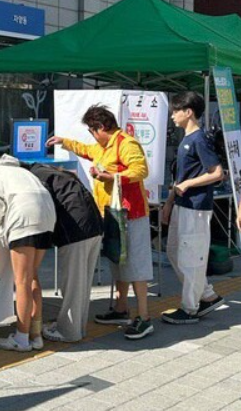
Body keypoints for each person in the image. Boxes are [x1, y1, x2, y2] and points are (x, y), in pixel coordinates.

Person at [47, 104, 154, 340]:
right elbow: (86, 150)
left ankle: (144, 317)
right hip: (112, 214)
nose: (92, 136)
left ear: (101, 127)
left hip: (131, 214)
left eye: (92, 131)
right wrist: (64, 142)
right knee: (118, 262)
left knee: (136, 266)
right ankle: (121, 309)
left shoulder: (126, 143)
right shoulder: (103, 147)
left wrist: (112, 176)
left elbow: (141, 170)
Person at [0, 154, 56, 352]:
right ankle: (35, 335)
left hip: (24, 219)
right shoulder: (16, 169)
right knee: (32, 277)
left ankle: (21, 339)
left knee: (22, 281)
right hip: (47, 216)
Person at [161, 91, 225, 324]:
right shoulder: (187, 139)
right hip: (182, 205)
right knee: (174, 251)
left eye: (175, 111)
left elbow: (217, 173)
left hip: (196, 207)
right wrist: (169, 203)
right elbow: (181, 177)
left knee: (190, 259)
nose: (172, 116)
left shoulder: (199, 139)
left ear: (188, 112)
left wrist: (188, 184)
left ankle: (190, 308)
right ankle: (207, 295)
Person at [25, 163, 103, 342]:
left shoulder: (34, 179)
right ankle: (78, 327)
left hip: (75, 231)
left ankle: (69, 332)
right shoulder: (55, 174)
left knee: (73, 284)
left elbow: (41, 209)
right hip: (95, 226)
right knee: (83, 283)